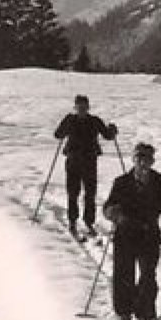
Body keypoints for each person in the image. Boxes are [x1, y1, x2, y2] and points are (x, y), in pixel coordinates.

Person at [102, 141, 161, 320]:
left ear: (152, 161)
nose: (143, 163)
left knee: (147, 275)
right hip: (125, 234)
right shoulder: (121, 182)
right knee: (123, 275)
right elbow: (108, 207)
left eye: (147, 158)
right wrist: (114, 213)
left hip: (149, 234)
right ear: (134, 159)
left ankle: (146, 314)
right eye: (139, 158)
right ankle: (124, 313)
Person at [53, 95, 117, 237]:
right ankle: (72, 221)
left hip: (89, 162)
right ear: (75, 108)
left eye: (84, 107)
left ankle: (89, 221)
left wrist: (112, 130)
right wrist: (64, 126)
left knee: (90, 194)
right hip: (73, 161)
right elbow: (58, 135)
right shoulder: (70, 120)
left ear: (88, 107)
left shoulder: (94, 121)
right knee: (73, 193)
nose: (82, 110)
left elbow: (107, 136)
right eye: (79, 107)